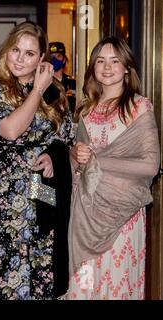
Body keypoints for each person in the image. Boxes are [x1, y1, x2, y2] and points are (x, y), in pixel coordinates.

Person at [0, 22, 74, 300]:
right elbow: (9, 130)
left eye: (30, 54)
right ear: (6, 50)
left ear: (41, 58)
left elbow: (64, 134)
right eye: (16, 50)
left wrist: (53, 155)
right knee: (5, 265)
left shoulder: (54, 91)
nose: (20, 58)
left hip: (39, 188)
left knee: (40, 254)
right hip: (3, 190)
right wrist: (36, 91)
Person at [65, 37, 160, 300]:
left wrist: (96, 159)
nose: (107, 67)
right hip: (85, 214)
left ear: (127, 67)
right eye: (100, 61)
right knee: (84, 285)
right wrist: (74, 155)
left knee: (116, 286)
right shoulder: (85, 108)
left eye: (115, 61)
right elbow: (78, 166)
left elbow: (151, 165)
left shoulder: (138, 106)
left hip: (122, 216)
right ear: (92, 67)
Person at [49, 42, 76, 113]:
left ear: (64, 60)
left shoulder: (73, 83)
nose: (54, 60)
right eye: (51, 57)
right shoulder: (43, 83)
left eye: (58, 56)